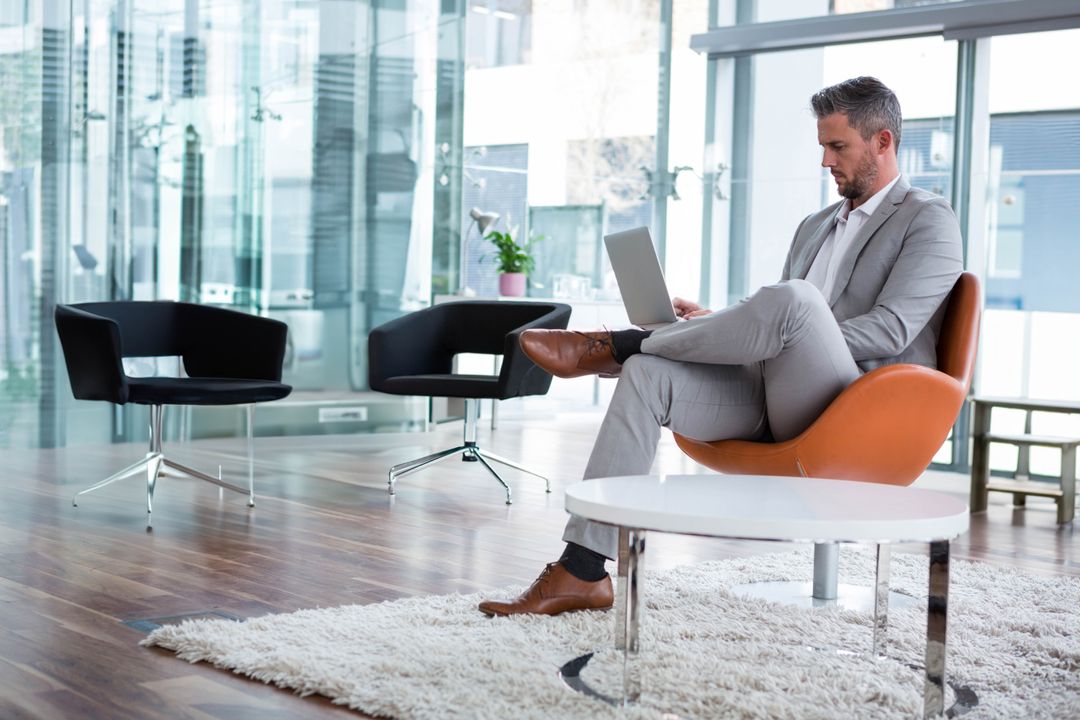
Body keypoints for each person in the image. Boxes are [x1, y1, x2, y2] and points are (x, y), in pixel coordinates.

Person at [477, 76, 963, 617]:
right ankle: (582, 571)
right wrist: (725, 326)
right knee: (647, 376)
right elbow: (780, 324)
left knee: (795, 301)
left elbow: (891, 330)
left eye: (838, 146)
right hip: (775, 391)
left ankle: (620, 344)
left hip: (856, 407)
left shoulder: (927, 219)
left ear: (883, 142)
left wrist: (787, 332)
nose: (826, 160)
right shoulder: (815, 224)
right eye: (822, 146)